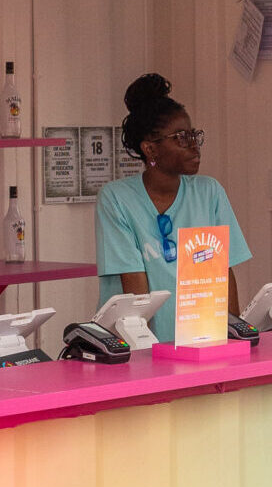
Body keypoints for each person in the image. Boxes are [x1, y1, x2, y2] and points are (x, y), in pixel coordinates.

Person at [94, 73, 251, 343]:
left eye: (194, 135)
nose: (193, 145)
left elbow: (224, 274)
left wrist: (234, 338)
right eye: (180, 137)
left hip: (201, 342)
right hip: (138, 344)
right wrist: (147, 354)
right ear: (150, 150)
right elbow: (135, 291)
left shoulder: (208, 192)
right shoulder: (117, 199)